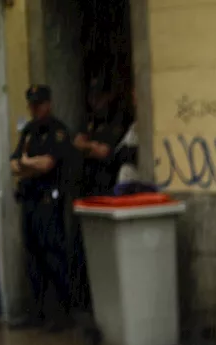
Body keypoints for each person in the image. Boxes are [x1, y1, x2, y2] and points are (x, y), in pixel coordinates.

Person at [10, 85, 73, 331]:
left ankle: (62, 314)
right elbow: (14, 164)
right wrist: (27, 165)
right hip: (30, 201)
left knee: (54, 257)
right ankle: (37, 313)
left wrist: (28, 164)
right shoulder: (28, 131)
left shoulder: (58, 131)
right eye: (32, 105)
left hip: (49, 201)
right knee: (33, 258)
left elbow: (48, 164)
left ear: (48, 104)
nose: (35, 109)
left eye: (39, 104)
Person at [74, 81, 130, 197]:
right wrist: (92, 147)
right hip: (87, 182)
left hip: (108, 180)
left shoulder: (117, 119)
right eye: (92, 96)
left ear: (108, 96)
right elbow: (76, 144)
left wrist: (86, 147)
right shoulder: (90, 119)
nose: (94, 101)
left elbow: (103, 152)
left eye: (99, 97)